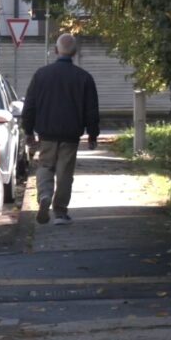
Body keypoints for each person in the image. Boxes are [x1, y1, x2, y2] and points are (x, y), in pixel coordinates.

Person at [21, 33, 100, 225]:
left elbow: (29, 105)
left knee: (46, 166)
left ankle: (45, 195)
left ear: (56, 51)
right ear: (75, 52)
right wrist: (92, 135)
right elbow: (91, 110)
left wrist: (28, 131)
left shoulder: (41, 75)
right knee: (65, 172)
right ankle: (60, 212)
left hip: (47, 133)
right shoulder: (84, 78)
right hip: (71, 135)